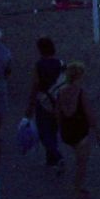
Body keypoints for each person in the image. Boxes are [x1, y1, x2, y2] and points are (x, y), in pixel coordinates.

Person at [55, 61, 100, 199]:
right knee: (82, 163)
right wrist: (97, 131)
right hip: (80, 131)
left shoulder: (61, 92)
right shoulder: (80, 92)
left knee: (78, 160)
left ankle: (77, 187)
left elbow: (57, 113)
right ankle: (76, 190)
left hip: (67, 131)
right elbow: (89, 114)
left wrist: (60, 128)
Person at [25, 37, 64, 171]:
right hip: (58, 101)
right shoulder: (61, 63)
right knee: (52, 130)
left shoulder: (38, 65)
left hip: (43, 100)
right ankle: (51, 159)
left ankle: (56, 157)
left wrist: (30, 105)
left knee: (44, 132)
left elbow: (35, 85)